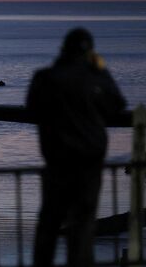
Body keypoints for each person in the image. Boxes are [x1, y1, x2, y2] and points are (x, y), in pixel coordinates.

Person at [27, 27, 126, 267]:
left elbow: (33, 108)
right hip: (88, 165)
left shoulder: (45, 77)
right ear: (89, 53)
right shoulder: (94, 78)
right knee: (82, 227)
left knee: (49, 224)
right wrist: (102, 70)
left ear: (63, 50)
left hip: (57, 163)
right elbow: (117, 104)